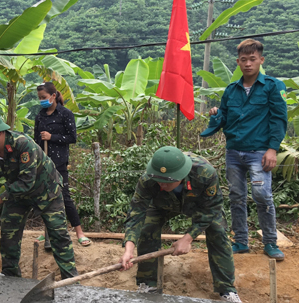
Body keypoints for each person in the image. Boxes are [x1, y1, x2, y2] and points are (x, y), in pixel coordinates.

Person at [0, 113, 78, 279]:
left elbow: (26, 181)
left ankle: (71, 281)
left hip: (46, 191)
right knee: (8, 235)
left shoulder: (23, 144)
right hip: (16, 194)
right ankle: (10, 278)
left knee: (59, 236)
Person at [119, 146, 241, 303]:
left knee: (218, 231)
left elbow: (211, 209)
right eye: (159, 181)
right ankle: (148, 283)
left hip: (199, 205)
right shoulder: (148, 179)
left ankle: (227, 289)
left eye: (167, 183)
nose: (161, 186)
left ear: (181, 176)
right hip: (162, 205)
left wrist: (188, 238)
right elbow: (136, 212)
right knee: (147, 227)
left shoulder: (205, 173)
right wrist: (129, 248)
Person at [201, 38, 287, 260]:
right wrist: (215, 115)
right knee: (237, 197)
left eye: (253, 59)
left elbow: (279, 119)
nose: (248, 64)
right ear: (238, 62)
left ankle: (270, 242)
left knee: (262, 195)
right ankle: (241, 241)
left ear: (261, 60)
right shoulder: (231, 90)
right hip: (234, 152)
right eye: (244, 60)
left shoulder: (273, 86)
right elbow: (225, 119)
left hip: (259, 152)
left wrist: (272, 149)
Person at [34, 82, 90, 247]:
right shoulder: (40, 116)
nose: (42, 101)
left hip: (59, 162)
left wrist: (52, 137)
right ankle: (47, 232)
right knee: (45, 197)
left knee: (64, 197)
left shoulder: (65, 114)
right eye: (39, 98)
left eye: (44, 97)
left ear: (53, 96)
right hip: (44, 162)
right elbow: (36, 140)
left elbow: (72, 137)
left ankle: (79, 232)